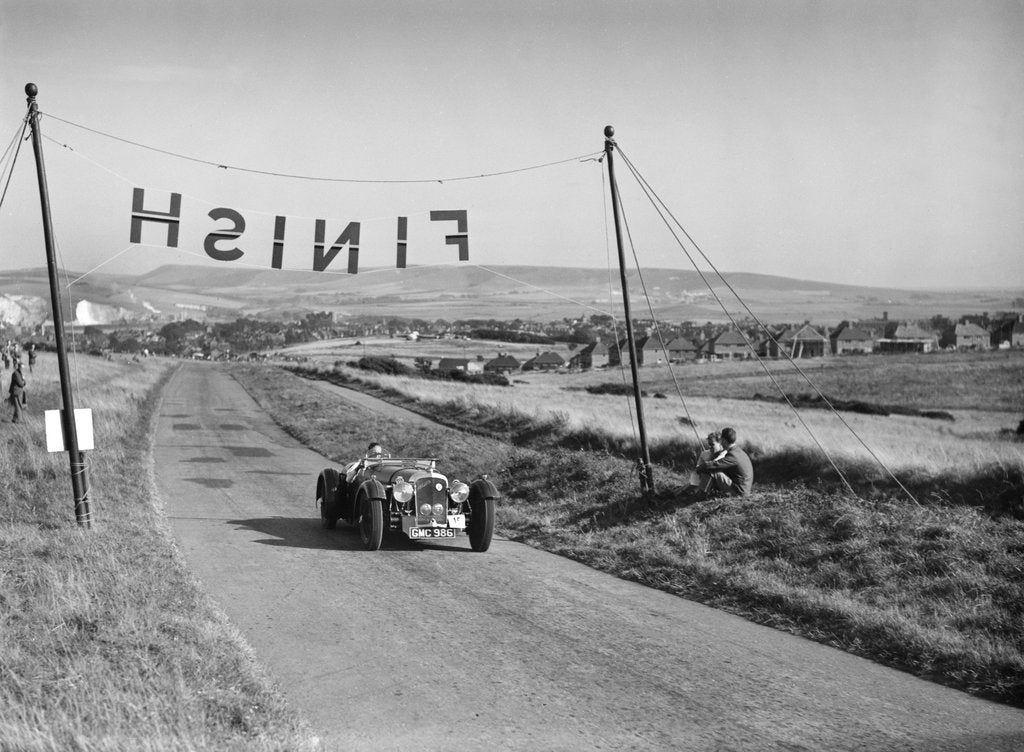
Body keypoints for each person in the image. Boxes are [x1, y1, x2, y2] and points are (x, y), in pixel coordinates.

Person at [696, 426, 753, 496]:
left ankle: (700, 496)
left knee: (713, 471)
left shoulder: (733, 455)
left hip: (739, 491)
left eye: (721, 441)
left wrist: (699, 468)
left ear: (724, 440)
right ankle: (707, 492)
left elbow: (715, 465)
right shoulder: (738, 451)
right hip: (743, 489)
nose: (721, 443)